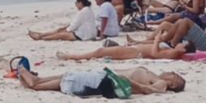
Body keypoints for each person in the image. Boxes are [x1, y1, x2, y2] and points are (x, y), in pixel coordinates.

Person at [18, 65, 185, 96]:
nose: (171, 72)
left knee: (67, 79)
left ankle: (23, 72)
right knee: (65, 76)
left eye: (174, 75)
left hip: (105, 80)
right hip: (102, 75)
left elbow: (150, 90)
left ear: (171, 84)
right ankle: (30, 78)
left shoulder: (161, 83)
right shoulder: (155, 76)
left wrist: (128, 82)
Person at [29, 0, 98, 41]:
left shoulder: (83, 12)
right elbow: (76, 23)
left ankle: (40, 37)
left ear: (80, 3)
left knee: (59, 34)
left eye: (76, 3)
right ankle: (40, 34)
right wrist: (65, 28)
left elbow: (75, 25)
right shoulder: (88, 10)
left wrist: (66, 29)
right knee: (59, 30)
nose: (76, 5)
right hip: (90, 33)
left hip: (84, 35)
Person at [60, 41, 196, 61]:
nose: (178, 43)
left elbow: (155, 54)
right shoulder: (172, 50)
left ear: (183, 49)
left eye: (182, 44)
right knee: (103, 50)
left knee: (101, 51)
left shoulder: (174, 53)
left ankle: (74, 56)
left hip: (136, 53)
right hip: (135, 49)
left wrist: (157, 40)